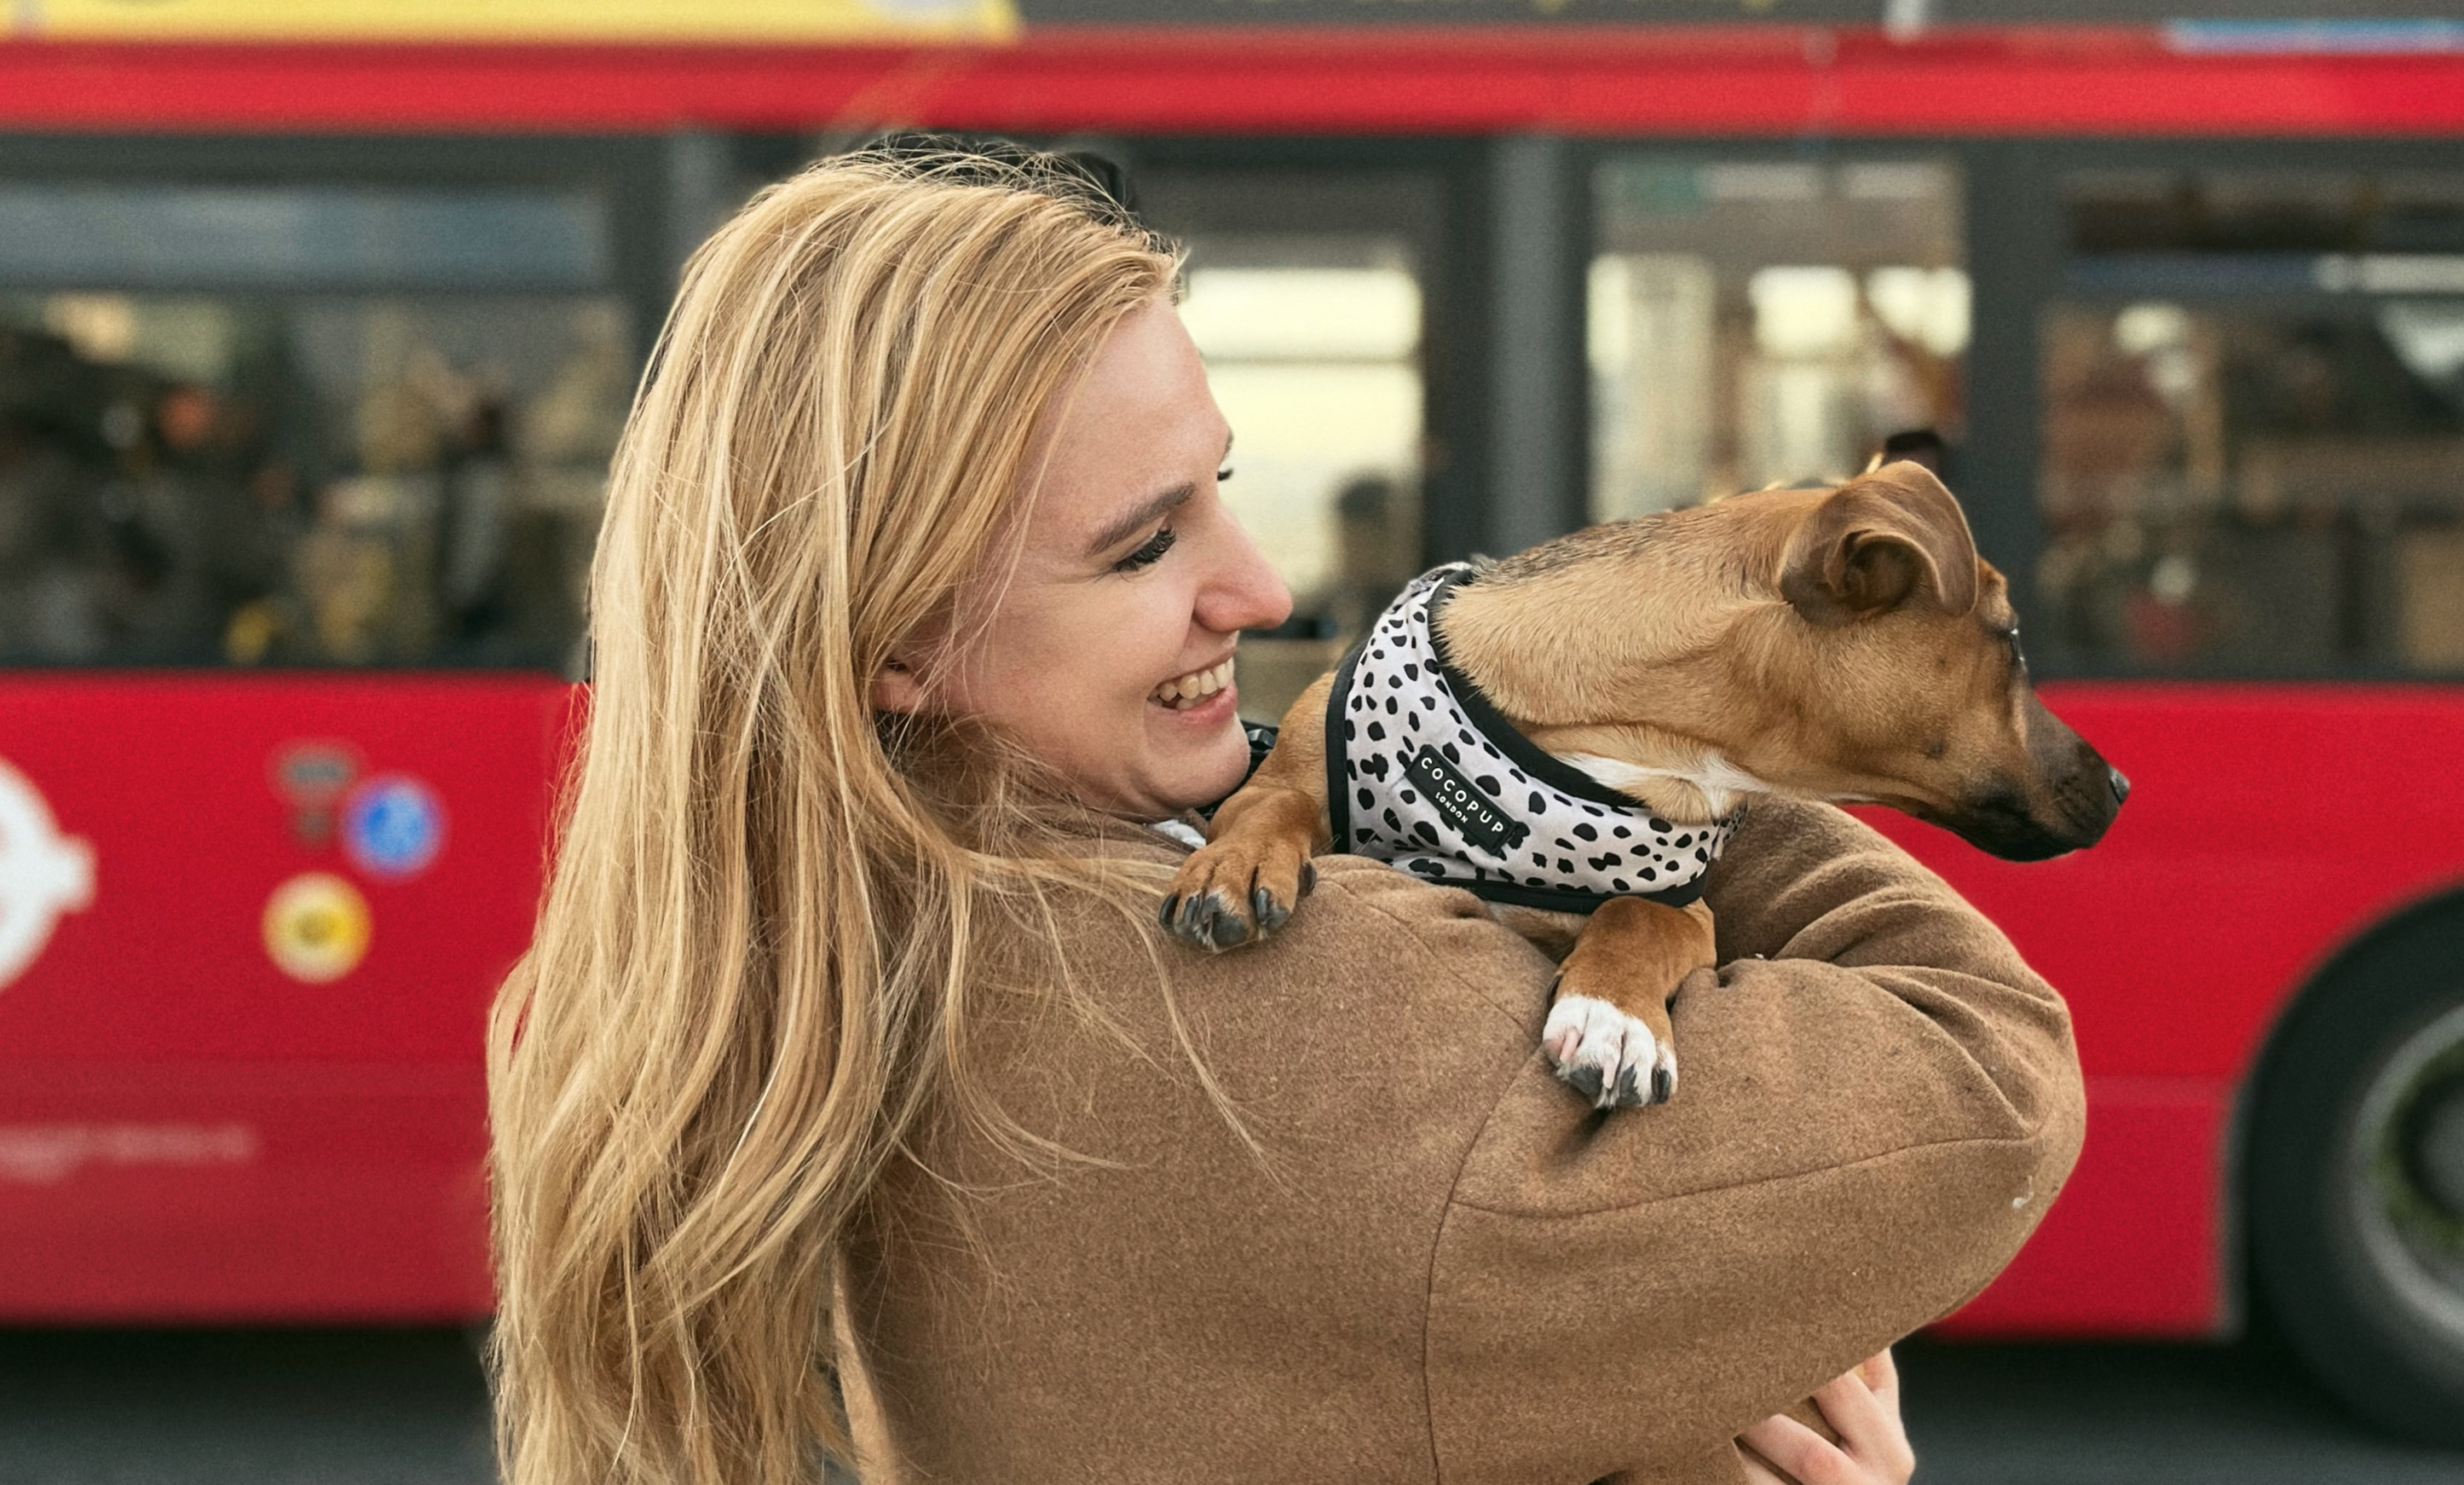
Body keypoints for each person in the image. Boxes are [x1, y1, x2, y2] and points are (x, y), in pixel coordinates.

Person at [486, 147, 2084, 1485]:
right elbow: (1989, 1066)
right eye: (1143, 546)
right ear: (900, 642)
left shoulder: (884, 933)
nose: (1259, 589)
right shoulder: (1295, 1032)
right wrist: (1696, 715)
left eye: (1225, 489)